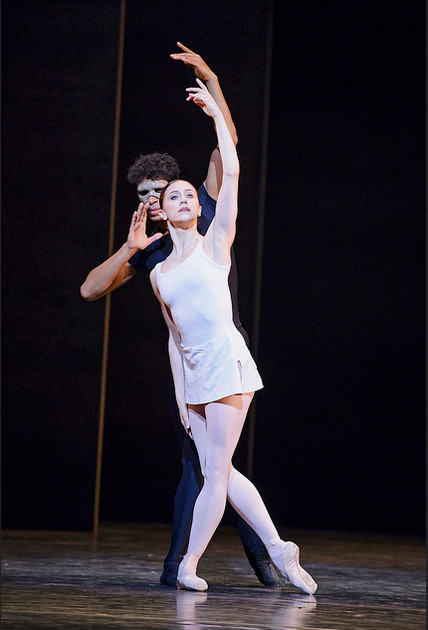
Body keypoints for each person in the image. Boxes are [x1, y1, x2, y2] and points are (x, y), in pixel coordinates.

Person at [80, 43, 279, 588]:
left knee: (219, 470)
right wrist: (128, 247)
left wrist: (211, 78)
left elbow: (229, 149)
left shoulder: (205, 210)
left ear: (173, 192)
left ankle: (243, 558)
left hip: (225, 352)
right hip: (186, 364)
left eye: (157, 193)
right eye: (142, 196)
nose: (151, 201)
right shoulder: (148, 248)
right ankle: (206, 561)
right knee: (207, 469)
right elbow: (90, 290)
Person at [145, 79, 318, 594]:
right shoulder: (159, 273)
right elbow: (175, 339)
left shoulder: (215, 243)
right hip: (196, 372)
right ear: (161, 209)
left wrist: (216, 111)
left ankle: (188, 564)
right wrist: (180, 393)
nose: (178, 198)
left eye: (185, 194)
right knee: (220, 469)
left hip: (226, 361)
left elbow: (233, 166)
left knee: (215, 476)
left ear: (198, 207)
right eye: (169, 196)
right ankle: (279, 547)